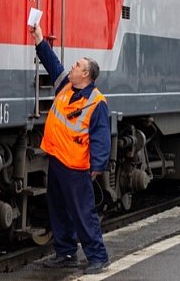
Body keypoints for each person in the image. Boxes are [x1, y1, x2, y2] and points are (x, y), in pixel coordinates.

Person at [30, 23, 111, 274]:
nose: (72, 68)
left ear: (86, 75)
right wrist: (39, 39)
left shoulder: (96, 102)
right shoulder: (66, 85)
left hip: (77, 166)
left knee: (82, 213)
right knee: (58, 209)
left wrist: (97, 166)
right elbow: (51, 61)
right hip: (57, 161)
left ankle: (98, 257)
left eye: (77, 66)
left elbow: (101, 136)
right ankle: (65, 253)